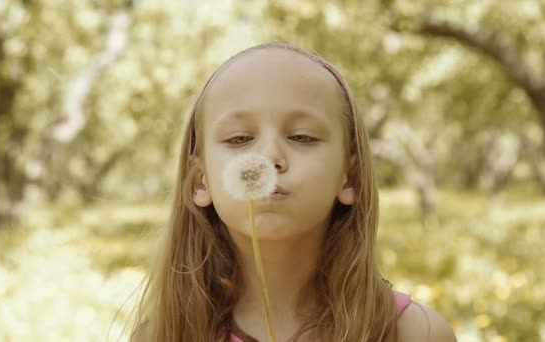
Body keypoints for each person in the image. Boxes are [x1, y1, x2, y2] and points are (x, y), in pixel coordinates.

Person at [129, 42, 457, 341]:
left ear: (350, 179)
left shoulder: (414, 334)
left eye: (302, 137)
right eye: (239, 139)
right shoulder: (163, 335)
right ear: (200, 182)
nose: (270, 156)